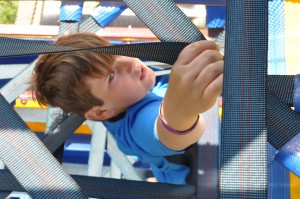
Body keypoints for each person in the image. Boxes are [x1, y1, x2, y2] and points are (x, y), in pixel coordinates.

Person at [31, 32, 223, 185]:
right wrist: (180, 113)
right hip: (212, 179)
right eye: (111, 77)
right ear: (101, 112)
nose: (129, 62)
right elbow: (165, 130)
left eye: (116, 53)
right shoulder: (134, 129)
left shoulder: (140, 82)